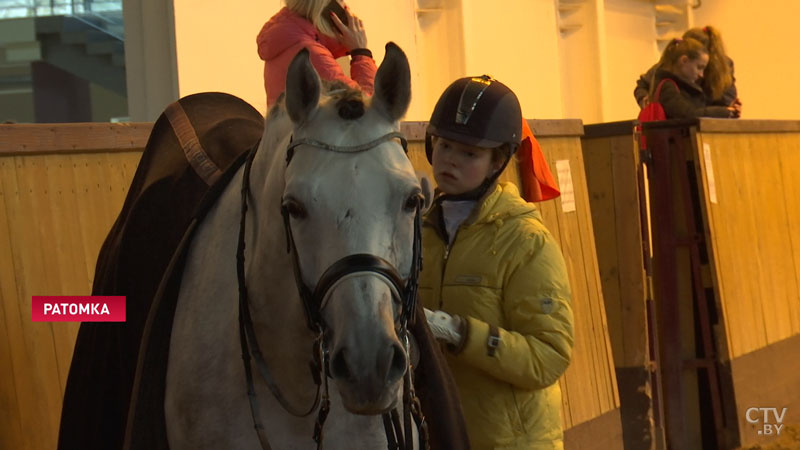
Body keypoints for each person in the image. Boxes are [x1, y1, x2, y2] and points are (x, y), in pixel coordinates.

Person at [420, 75, 575, 449]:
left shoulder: (525, 241)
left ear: (497, 162)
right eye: (444, 146)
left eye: (469, 154)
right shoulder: (416, 231)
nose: (450, 161)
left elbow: (549, 357)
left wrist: (460, 333)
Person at [257, 0, 377, 107]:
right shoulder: (311, 54)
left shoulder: (288, 40)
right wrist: (361, 52)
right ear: (327, 7)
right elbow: (370, 110)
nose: (347, 7)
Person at [634, 26, 740, 111]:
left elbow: (726, 101)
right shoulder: (669, 66)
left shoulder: (724, 67)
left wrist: (729, 110)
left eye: (702, 67)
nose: (700, 74)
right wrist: (645, 100)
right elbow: (643, 85)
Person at [648, 37, 740, 119]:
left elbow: (697, 110)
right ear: (684, 60)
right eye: (699, 67)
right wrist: (723, 112)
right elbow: (689, 115)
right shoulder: (667, 87)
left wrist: (728, 110)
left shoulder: (682, 86)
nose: (701, 74)